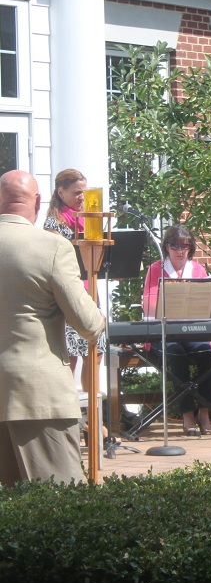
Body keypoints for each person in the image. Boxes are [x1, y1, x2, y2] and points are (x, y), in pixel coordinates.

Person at [0, 170, 105, 485]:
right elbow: (87, 323)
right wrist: (99, 319)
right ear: (37, 201)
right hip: (37, 396)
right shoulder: (52, 247)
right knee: (59, 507)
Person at [142, 224, 211, 436]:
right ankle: (187, 414)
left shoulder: (198, 270)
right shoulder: (156, 268)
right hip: (164, 332)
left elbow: (207, 304)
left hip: (192, 330)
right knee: (176, 355)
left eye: (185, 246)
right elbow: (149, 305)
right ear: (167, 247)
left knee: (207, 355)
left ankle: (204, 411)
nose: (180, 250)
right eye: (175, 246)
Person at [43, 169, 108, 411]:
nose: (82, 197)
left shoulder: (88, 219)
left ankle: (92, 417)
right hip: (67, 295)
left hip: (90, 294)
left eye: (84, 191)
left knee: (95, 355)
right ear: (61, 192)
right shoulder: (53, 225)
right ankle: (67, 414)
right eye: (76, 192)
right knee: (69, 358)